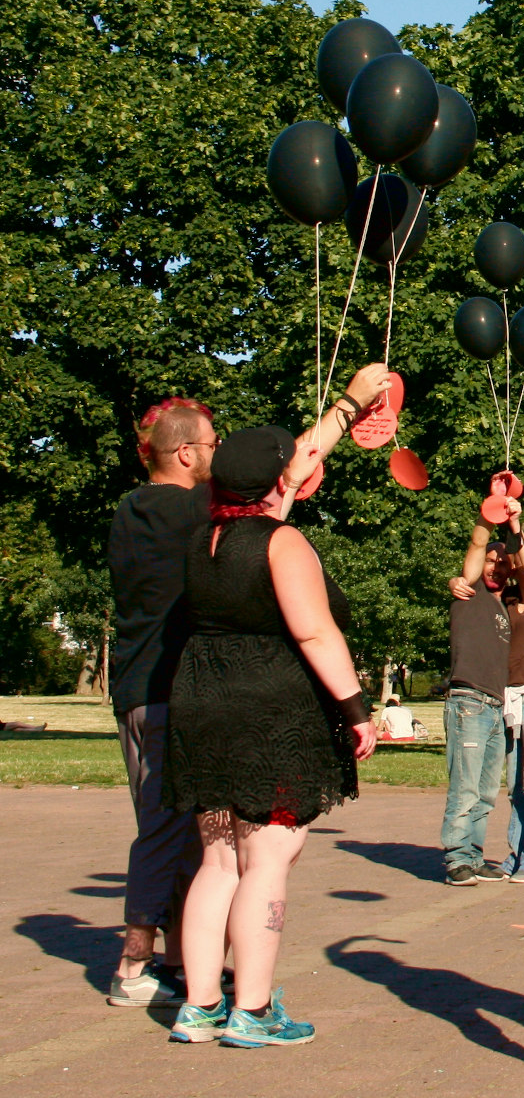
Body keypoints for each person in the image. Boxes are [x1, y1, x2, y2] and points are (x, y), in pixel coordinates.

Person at [106, 366, 388, 1009]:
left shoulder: (140, 513)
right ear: (186, 454)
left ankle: (190, 982)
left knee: (202, 851)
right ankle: (148, 969)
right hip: (191, 692)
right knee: (208, 844)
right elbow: (283, 480)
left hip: (147, 687)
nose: (215, 456)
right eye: (209, 446)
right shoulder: (201, 519)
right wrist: (348, 404)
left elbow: (275, 483)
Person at [162, 425, 379, 1046]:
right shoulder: (283, 543)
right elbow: (314, 633)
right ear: (279, 481)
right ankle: (252, 1011)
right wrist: (356, 707)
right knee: (270, 854)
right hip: (271, 707)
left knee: (218, 858)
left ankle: (200, 1007)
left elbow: (259, 516)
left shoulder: (203, 538)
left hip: (202, 700)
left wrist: (301, 461)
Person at [450, 494, 524, 883]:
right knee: (515, 785)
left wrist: (515, 525)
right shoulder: (505, 600)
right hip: (505, 700)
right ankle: (516, 856)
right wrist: (458, 581)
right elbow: (477, 572)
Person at [439, 533, 514, 886]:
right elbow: (473, 550)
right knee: (465, 787)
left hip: (496, 707)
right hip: (468, 701)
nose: (496, 567)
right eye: (490, 560)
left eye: (503, 563)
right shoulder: (469, 594)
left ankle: (474, 854)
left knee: (486, 792)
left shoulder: (505, 606)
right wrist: (490, 516)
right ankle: (456, 858)